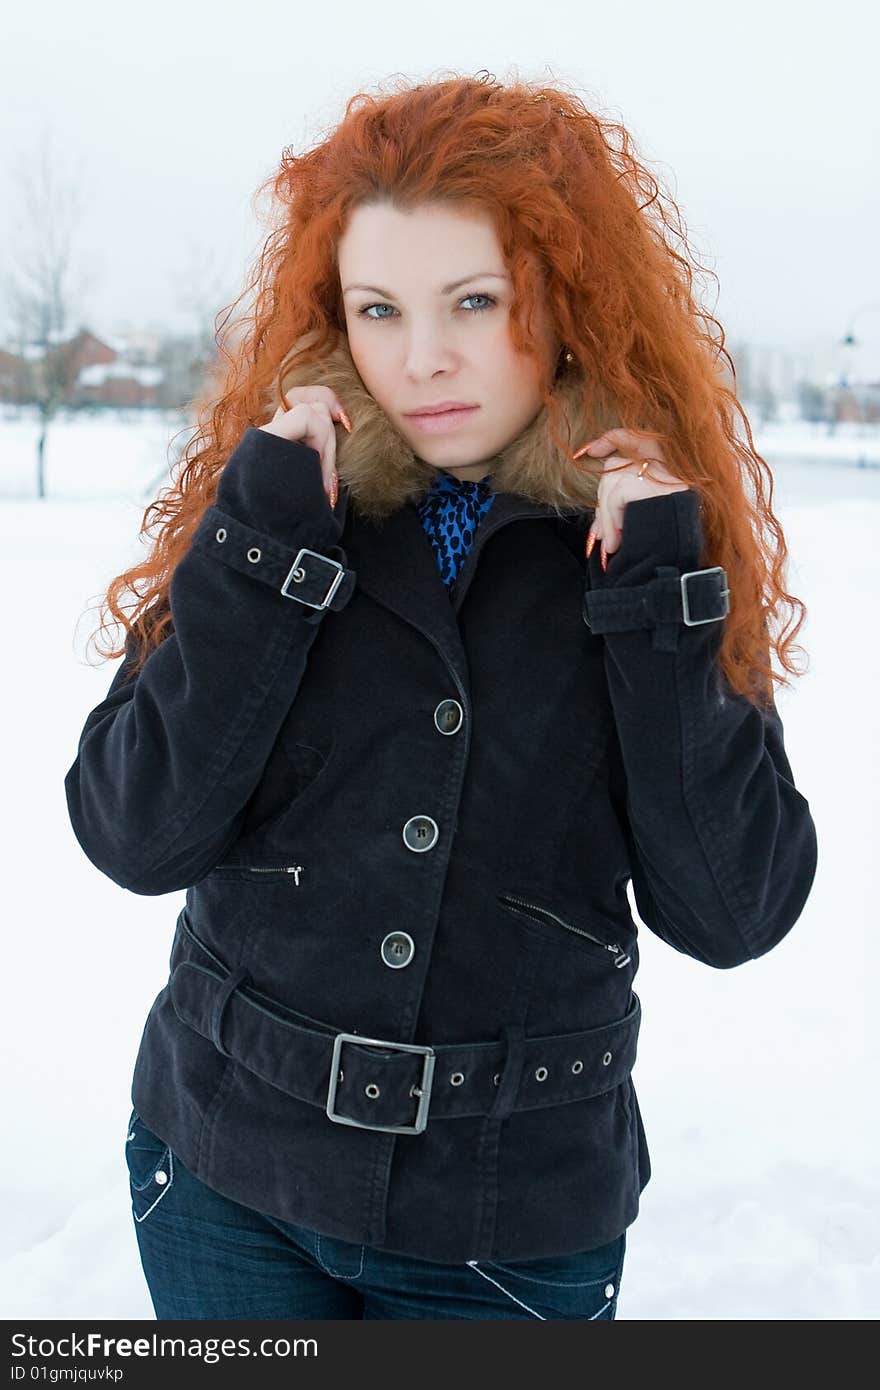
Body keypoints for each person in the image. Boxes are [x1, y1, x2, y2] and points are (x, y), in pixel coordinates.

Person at [64, 73, 818, 1321]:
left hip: (507, 1227)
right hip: (221, 1176)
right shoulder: (280, 506)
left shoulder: (651, 550)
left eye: (476, 300)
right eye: (378, 308)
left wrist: (657, 605)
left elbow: (734, 909)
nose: (422, 360)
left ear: (566, 301)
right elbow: (136, 831)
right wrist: (260, 543)